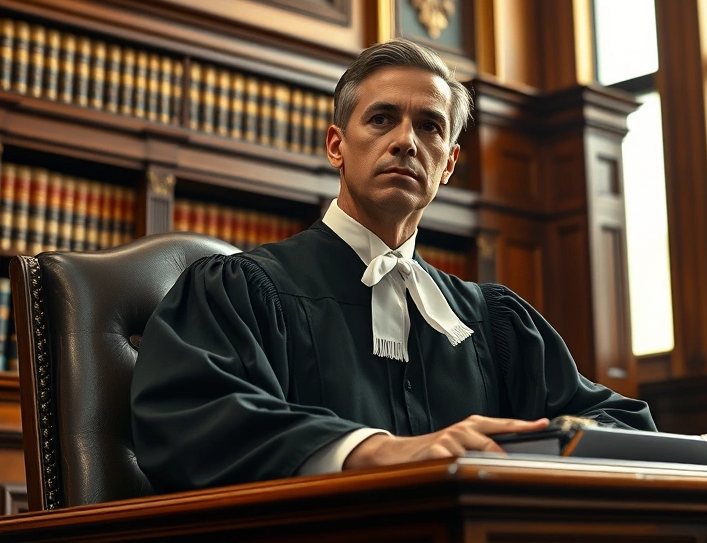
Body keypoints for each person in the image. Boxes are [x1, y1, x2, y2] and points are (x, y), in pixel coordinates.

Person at [130, 38, 656, 493]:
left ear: (447, 163)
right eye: (382, 118)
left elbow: (622, 422)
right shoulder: (240, 290)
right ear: (337, 145)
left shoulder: (493, 323)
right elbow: (190, 422)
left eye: (430, 127)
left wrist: (543, 448)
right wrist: (381, 452)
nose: (406, 141)